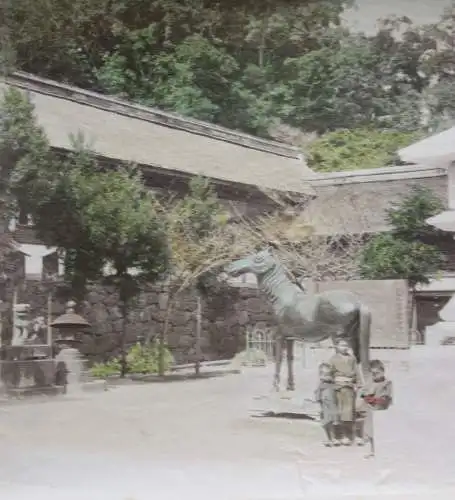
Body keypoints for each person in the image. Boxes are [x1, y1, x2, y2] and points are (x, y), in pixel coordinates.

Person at [357, 359, 393, 458]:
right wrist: (366, 396)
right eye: (372, 373)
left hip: (381, 411)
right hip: (371, 410)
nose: (375, 375)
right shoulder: (371, 381)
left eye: (377, 373)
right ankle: (372, 450)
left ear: (383, 371)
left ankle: (382, 449)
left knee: (381, 431)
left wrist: (373, 399)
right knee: (370, 430)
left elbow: (386, 399)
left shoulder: (387, 383)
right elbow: (363, 393)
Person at [329, 338, 359, 445]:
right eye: (342, 345)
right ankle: (338, 435)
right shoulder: (333, 359)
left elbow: (356, 372)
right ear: (337, 347)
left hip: (349, 388)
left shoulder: (352, 359)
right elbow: (329, 373)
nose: (344, 347)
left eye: (346, 345)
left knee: (348, 412)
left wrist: (357, 383)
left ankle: (347, 435)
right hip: (337, 388)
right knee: (338, 412)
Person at [314, 362, 340, 447]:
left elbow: (337, 392)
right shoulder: (321, 385)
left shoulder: (333, 385)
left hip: (333, 406)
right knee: (326, 423)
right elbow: (317, 394)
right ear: (320, 375)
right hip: (325, 406)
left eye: (329, 374)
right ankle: (327, 438)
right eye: (324, 375)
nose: (327, 377)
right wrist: (318, 403)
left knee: (333, 422)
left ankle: (333, 438)